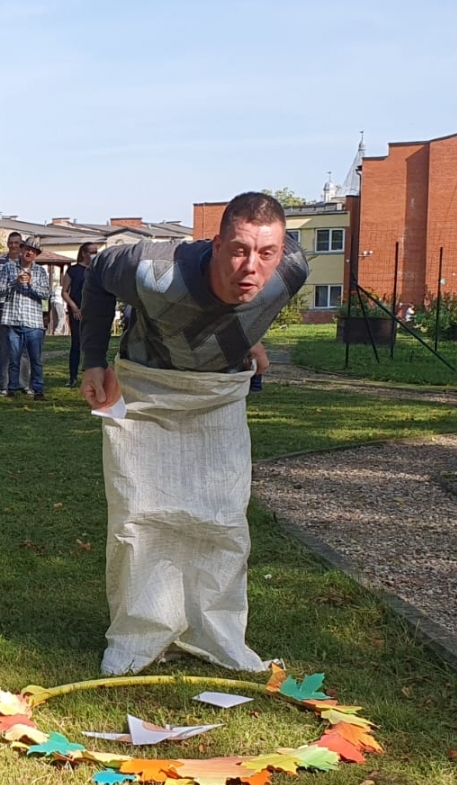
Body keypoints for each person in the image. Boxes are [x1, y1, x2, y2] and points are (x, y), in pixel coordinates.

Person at [80, 191, 309, 675]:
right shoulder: (152, 268)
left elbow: (244, 308)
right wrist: (94, 362)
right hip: (146, 389)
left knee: (223, 516)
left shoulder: (293, 269)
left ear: (281, 249)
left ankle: (216, 632)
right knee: (139, 514)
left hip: (218, 396)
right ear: (217, 242)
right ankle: (139, 635)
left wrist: (251, 339)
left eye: (266, 252)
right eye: (239, 250)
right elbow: (97, 276)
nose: (251, 266)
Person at [0, 235, 51, 400]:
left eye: (33, 251)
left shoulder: (40, 271)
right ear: (22, 250)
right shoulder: (9, 268)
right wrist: (16, 283)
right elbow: (0, 289)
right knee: (13, 357)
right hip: (12, 319)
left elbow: (46, 294)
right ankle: (12, 388)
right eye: (27, 249)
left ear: (36, 254)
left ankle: (38, 389)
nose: (29, 253)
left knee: (35, 359)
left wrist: (31, 284)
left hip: (33, 322)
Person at [0, 231, 22, 392]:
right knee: (4, 346)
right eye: (11, 242)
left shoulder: (27, 262)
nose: (14, 245)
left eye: (17, 243)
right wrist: (4, 288)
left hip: (23, 308)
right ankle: (0, 380)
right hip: (3, 307)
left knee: (23, 347)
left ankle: (20, 381)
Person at [62, 242, 95, 387]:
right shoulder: (73, 270)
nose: (94, 254)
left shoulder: (97, 270)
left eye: (96, 251)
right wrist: (74, 307)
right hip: (77, 312)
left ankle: (91, 376)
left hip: (93, 312)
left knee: (93, 345)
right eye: (91, 252)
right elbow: (64, 291)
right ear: (83, 253)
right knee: (76, 344)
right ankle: (73, 377)